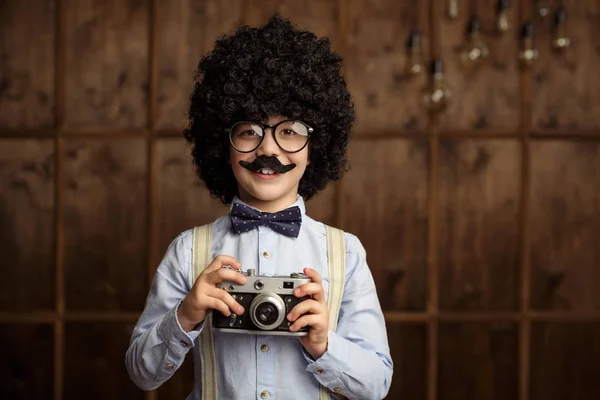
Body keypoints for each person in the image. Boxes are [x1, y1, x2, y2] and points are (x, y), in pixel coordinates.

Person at [125, 15, 393, 400]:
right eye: (249, 130)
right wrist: (185, 315)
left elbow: (377, 385)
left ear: (315, 149)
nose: (268, 149)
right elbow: (141, 374)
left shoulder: (346, 254)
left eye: (290, 131)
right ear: (223, 146)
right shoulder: (188, 252)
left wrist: (323, 342)